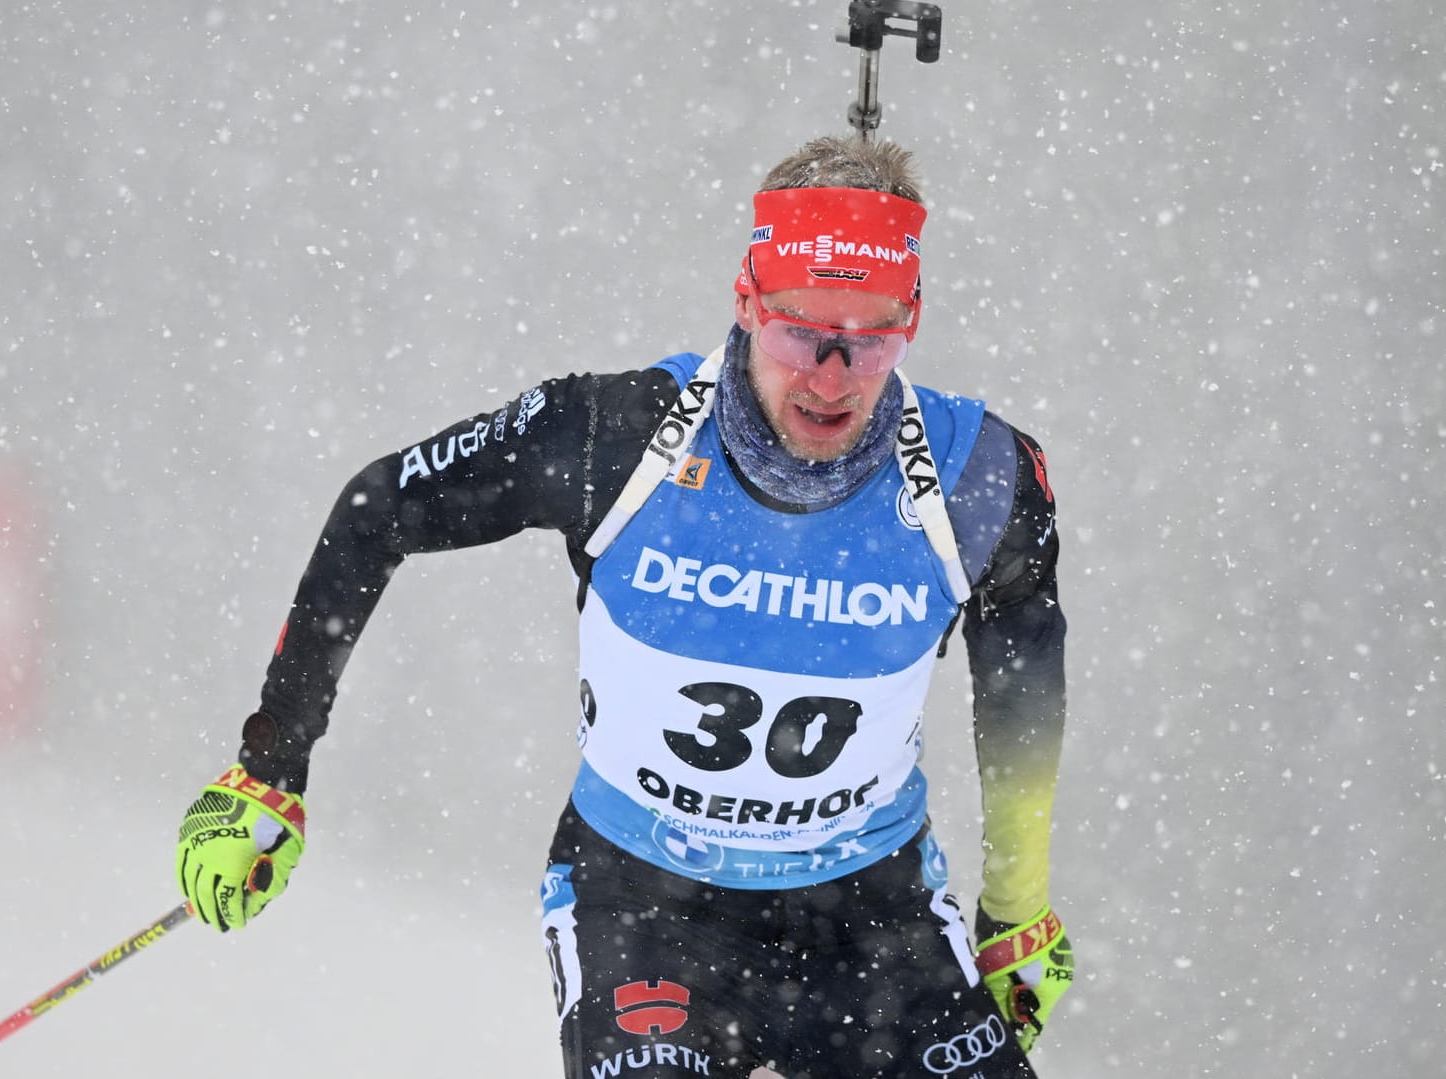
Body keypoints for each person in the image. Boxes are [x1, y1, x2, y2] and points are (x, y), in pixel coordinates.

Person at [174, 134, 1072, 1078]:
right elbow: (377, 508)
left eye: (874, 336)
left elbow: (1023, 696)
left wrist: (1018, 909)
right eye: (801, 331)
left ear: (913, 319)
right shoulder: (617, 436)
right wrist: (270, 768)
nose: (833, 374)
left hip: (870, 919)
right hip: (646, 909)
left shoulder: (982, 479)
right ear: (746, 302)